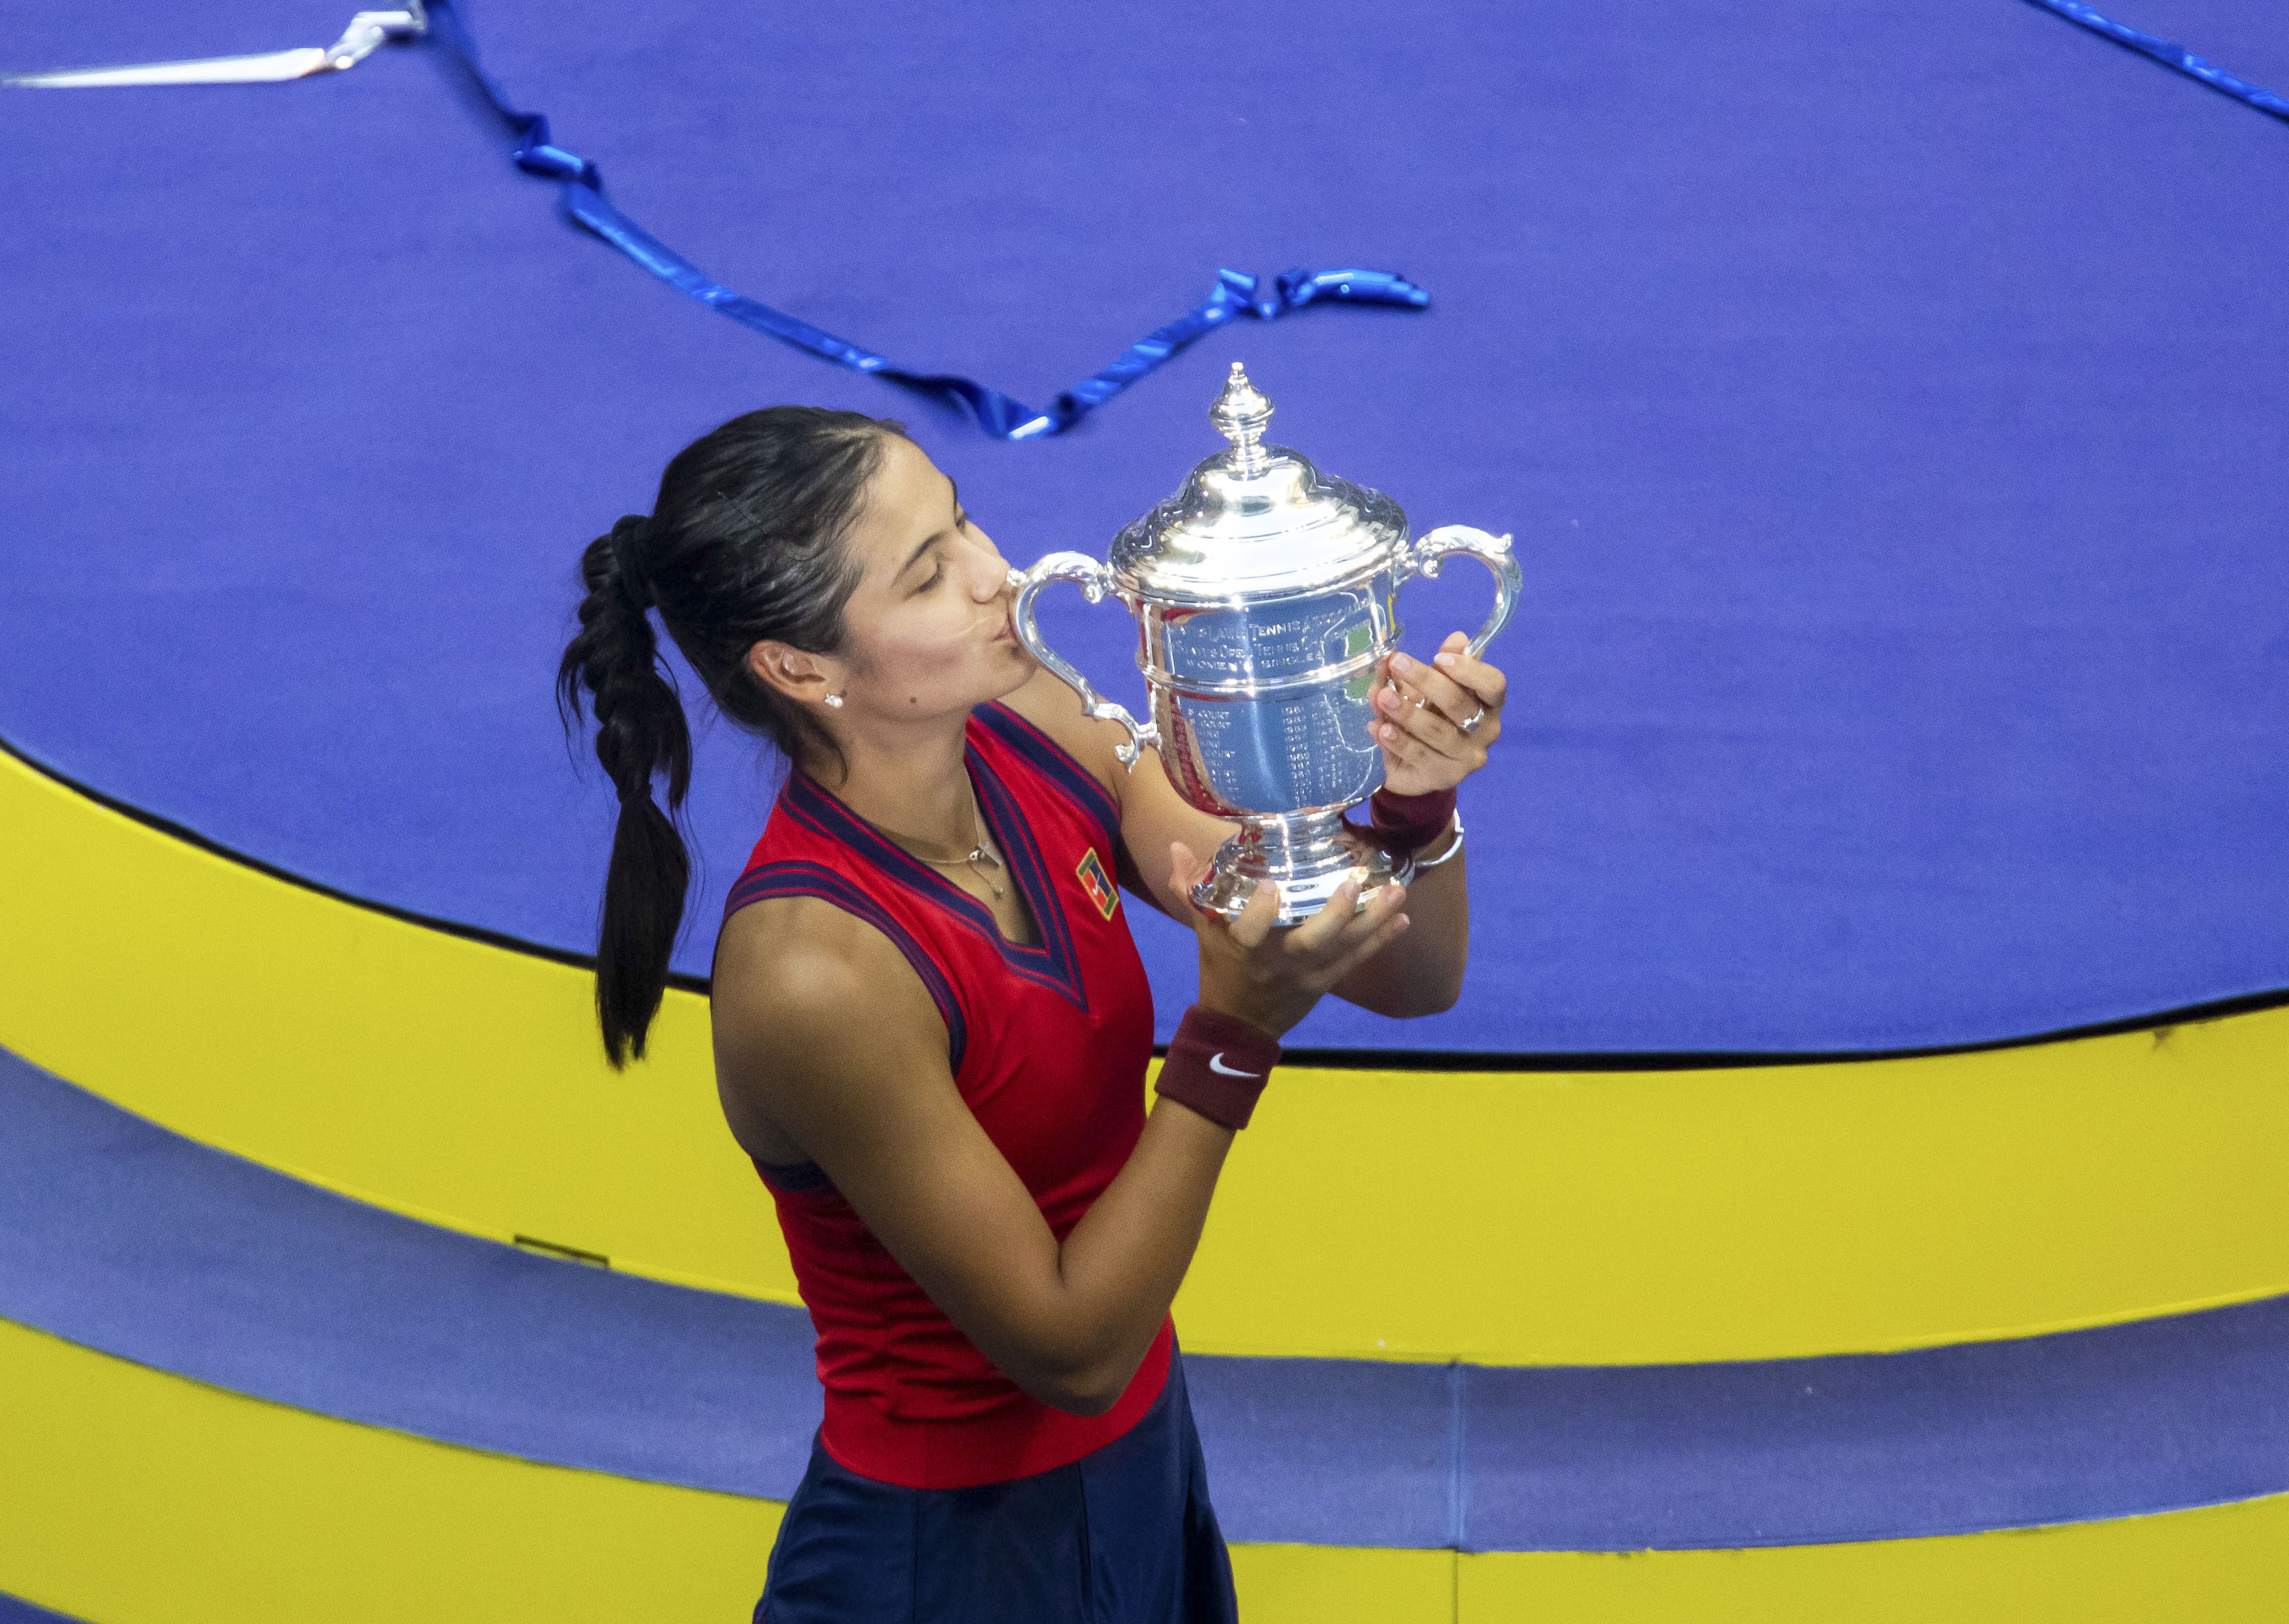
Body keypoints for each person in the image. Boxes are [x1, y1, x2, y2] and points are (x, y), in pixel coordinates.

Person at [556, 405, 1506, 1623]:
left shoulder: (1039, 729)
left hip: (1144, 1470)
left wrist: (1412, 809)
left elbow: (1403, 975)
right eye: (929, 574)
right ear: (799, 668)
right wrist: (1232, 1039)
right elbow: (1069, 1349)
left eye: (962, 520)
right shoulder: (815, 971)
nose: (997, 574)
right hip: (944, 1564)